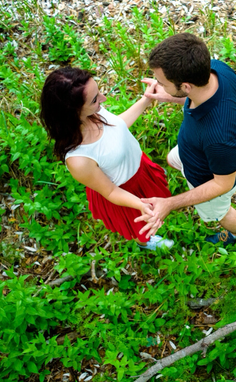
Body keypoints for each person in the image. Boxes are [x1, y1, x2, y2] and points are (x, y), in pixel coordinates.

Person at [39, 67, 173, 250]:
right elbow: (110, 191)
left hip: (139, 168)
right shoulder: (78, 158)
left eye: (98, 92)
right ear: (72, 111)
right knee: (140, 227)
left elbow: (117, 127)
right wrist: (142, 205)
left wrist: (146, 100)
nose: (103, 99)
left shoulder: (91, 114)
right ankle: (145, 242)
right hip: (125, 192)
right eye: (95, 99)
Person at [136, 33, 236, 246]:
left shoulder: (220, 137)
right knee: (173, 158)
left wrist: (170, 203)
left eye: (162, 82)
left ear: (186, 86)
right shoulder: (217, 69)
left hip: (210, 181)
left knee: (221, 212)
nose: (158, 84)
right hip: (195, 152)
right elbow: (202, 98)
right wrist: (168, 95)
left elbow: (222, 184)